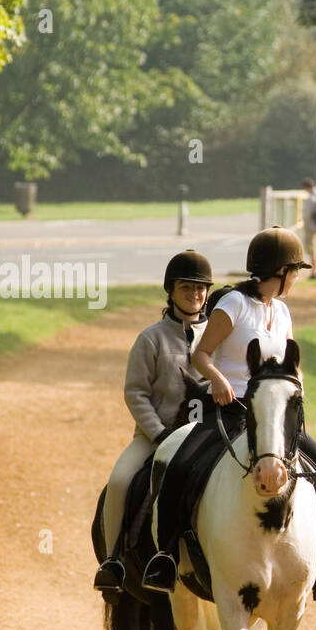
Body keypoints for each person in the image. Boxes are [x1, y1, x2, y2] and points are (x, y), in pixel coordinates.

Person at [140, 226, 316, 600]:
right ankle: (167, 557)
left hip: (272, 417)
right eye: (295, 271)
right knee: (178, 467)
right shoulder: (232, 305)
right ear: (279, 270)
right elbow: (200, 354)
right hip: (228, 409)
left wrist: (296, 394)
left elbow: (289, 364)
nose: (297, 278)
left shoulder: (282, 311)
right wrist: (219, 382)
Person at [93, 250, 215, 592]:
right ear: (171, 291)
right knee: (119, 481)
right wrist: (159, 433)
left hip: (207, 437)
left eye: (201, 288)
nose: (195, 294)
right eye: (186, 287)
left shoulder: (218, 337)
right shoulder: (151, 338)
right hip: (156, 435)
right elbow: (135, 393)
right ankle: (114, 560)